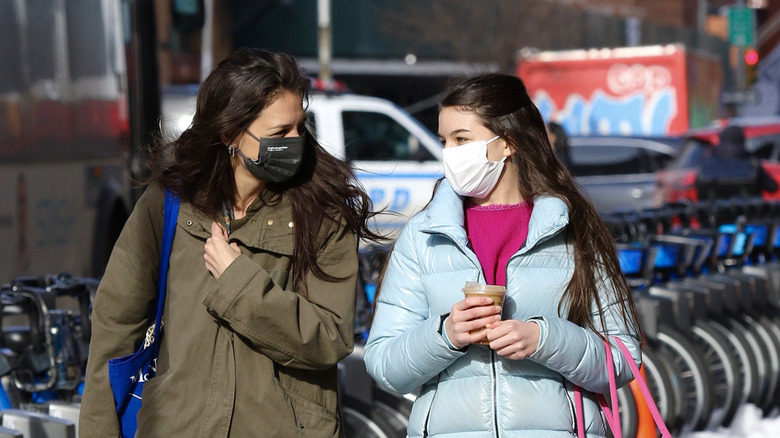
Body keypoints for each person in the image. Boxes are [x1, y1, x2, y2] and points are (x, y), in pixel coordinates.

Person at [79, 48, 381, 437]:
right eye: (279, 133)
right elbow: (115, 325)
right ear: (229, 134)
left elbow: (331, 336)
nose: (295, 141)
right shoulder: (170, 202)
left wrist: (240, 282)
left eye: (299, 127)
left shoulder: (322, 212)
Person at [364, 73, 642, 437]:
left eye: (462, 139)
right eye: (444, 141)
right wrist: (445, 334)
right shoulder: (423, 236)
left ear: (507, 142)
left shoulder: (571, 228)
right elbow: (384, 365)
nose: (449, 153)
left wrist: (545, 339)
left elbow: (623, 358)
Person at [696, 124, 778, 200]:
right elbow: (772, 187)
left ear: (721, 139)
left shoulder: (707, 164)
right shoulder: (752, 163)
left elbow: (698, 190)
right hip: (748, 212)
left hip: (716, 213)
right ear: (742, 140)